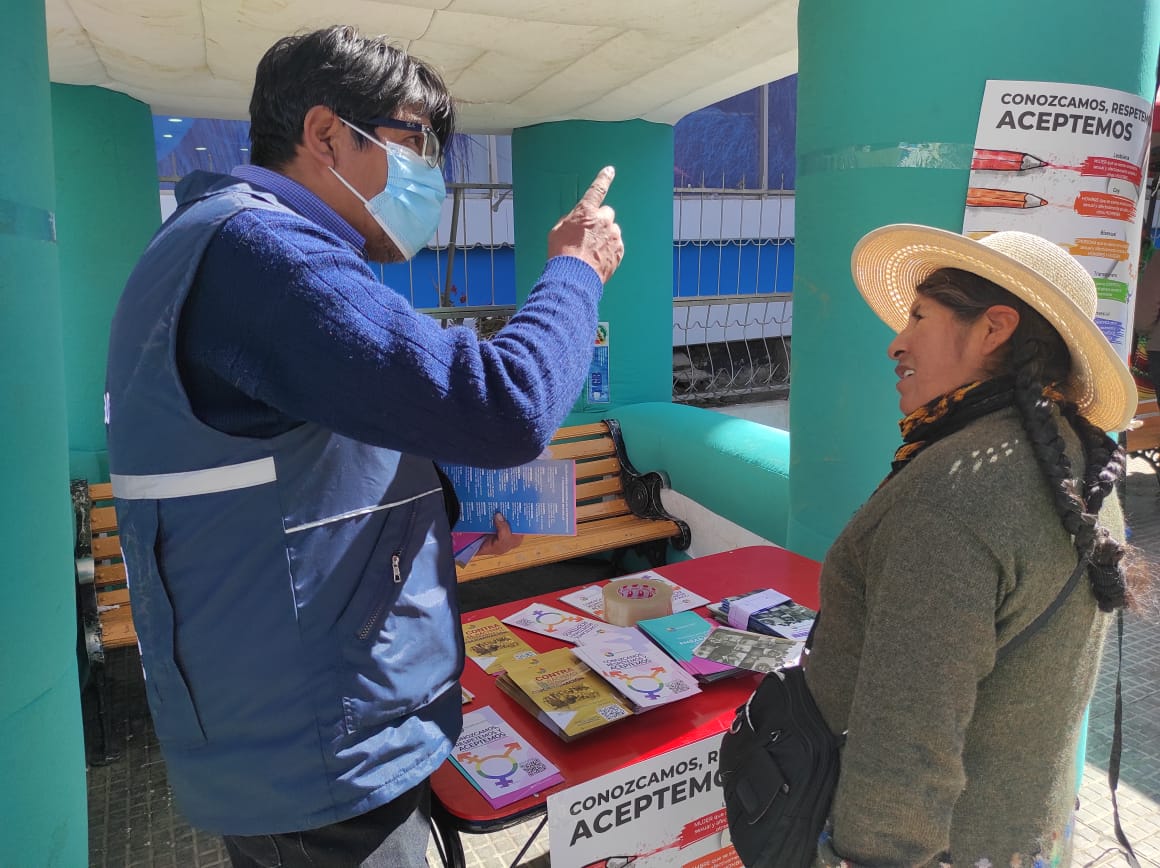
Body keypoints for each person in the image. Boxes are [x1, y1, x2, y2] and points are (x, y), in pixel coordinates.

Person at [105, 25, 623, 867]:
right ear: (323, 133)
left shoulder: (226, 245)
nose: (432, 176)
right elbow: (505, 404)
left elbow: (288, 470)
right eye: (415, 140)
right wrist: (576, 270)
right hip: (314, 750)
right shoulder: (260, 253)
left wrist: (447, 520)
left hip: (306, 723)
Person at [803, 224, 1148, 867]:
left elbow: (907, 737)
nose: (895, 344)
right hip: (1027, 832)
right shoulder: (1082, 464)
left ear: (993, 328)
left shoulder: (953, 493)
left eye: (918, 317)